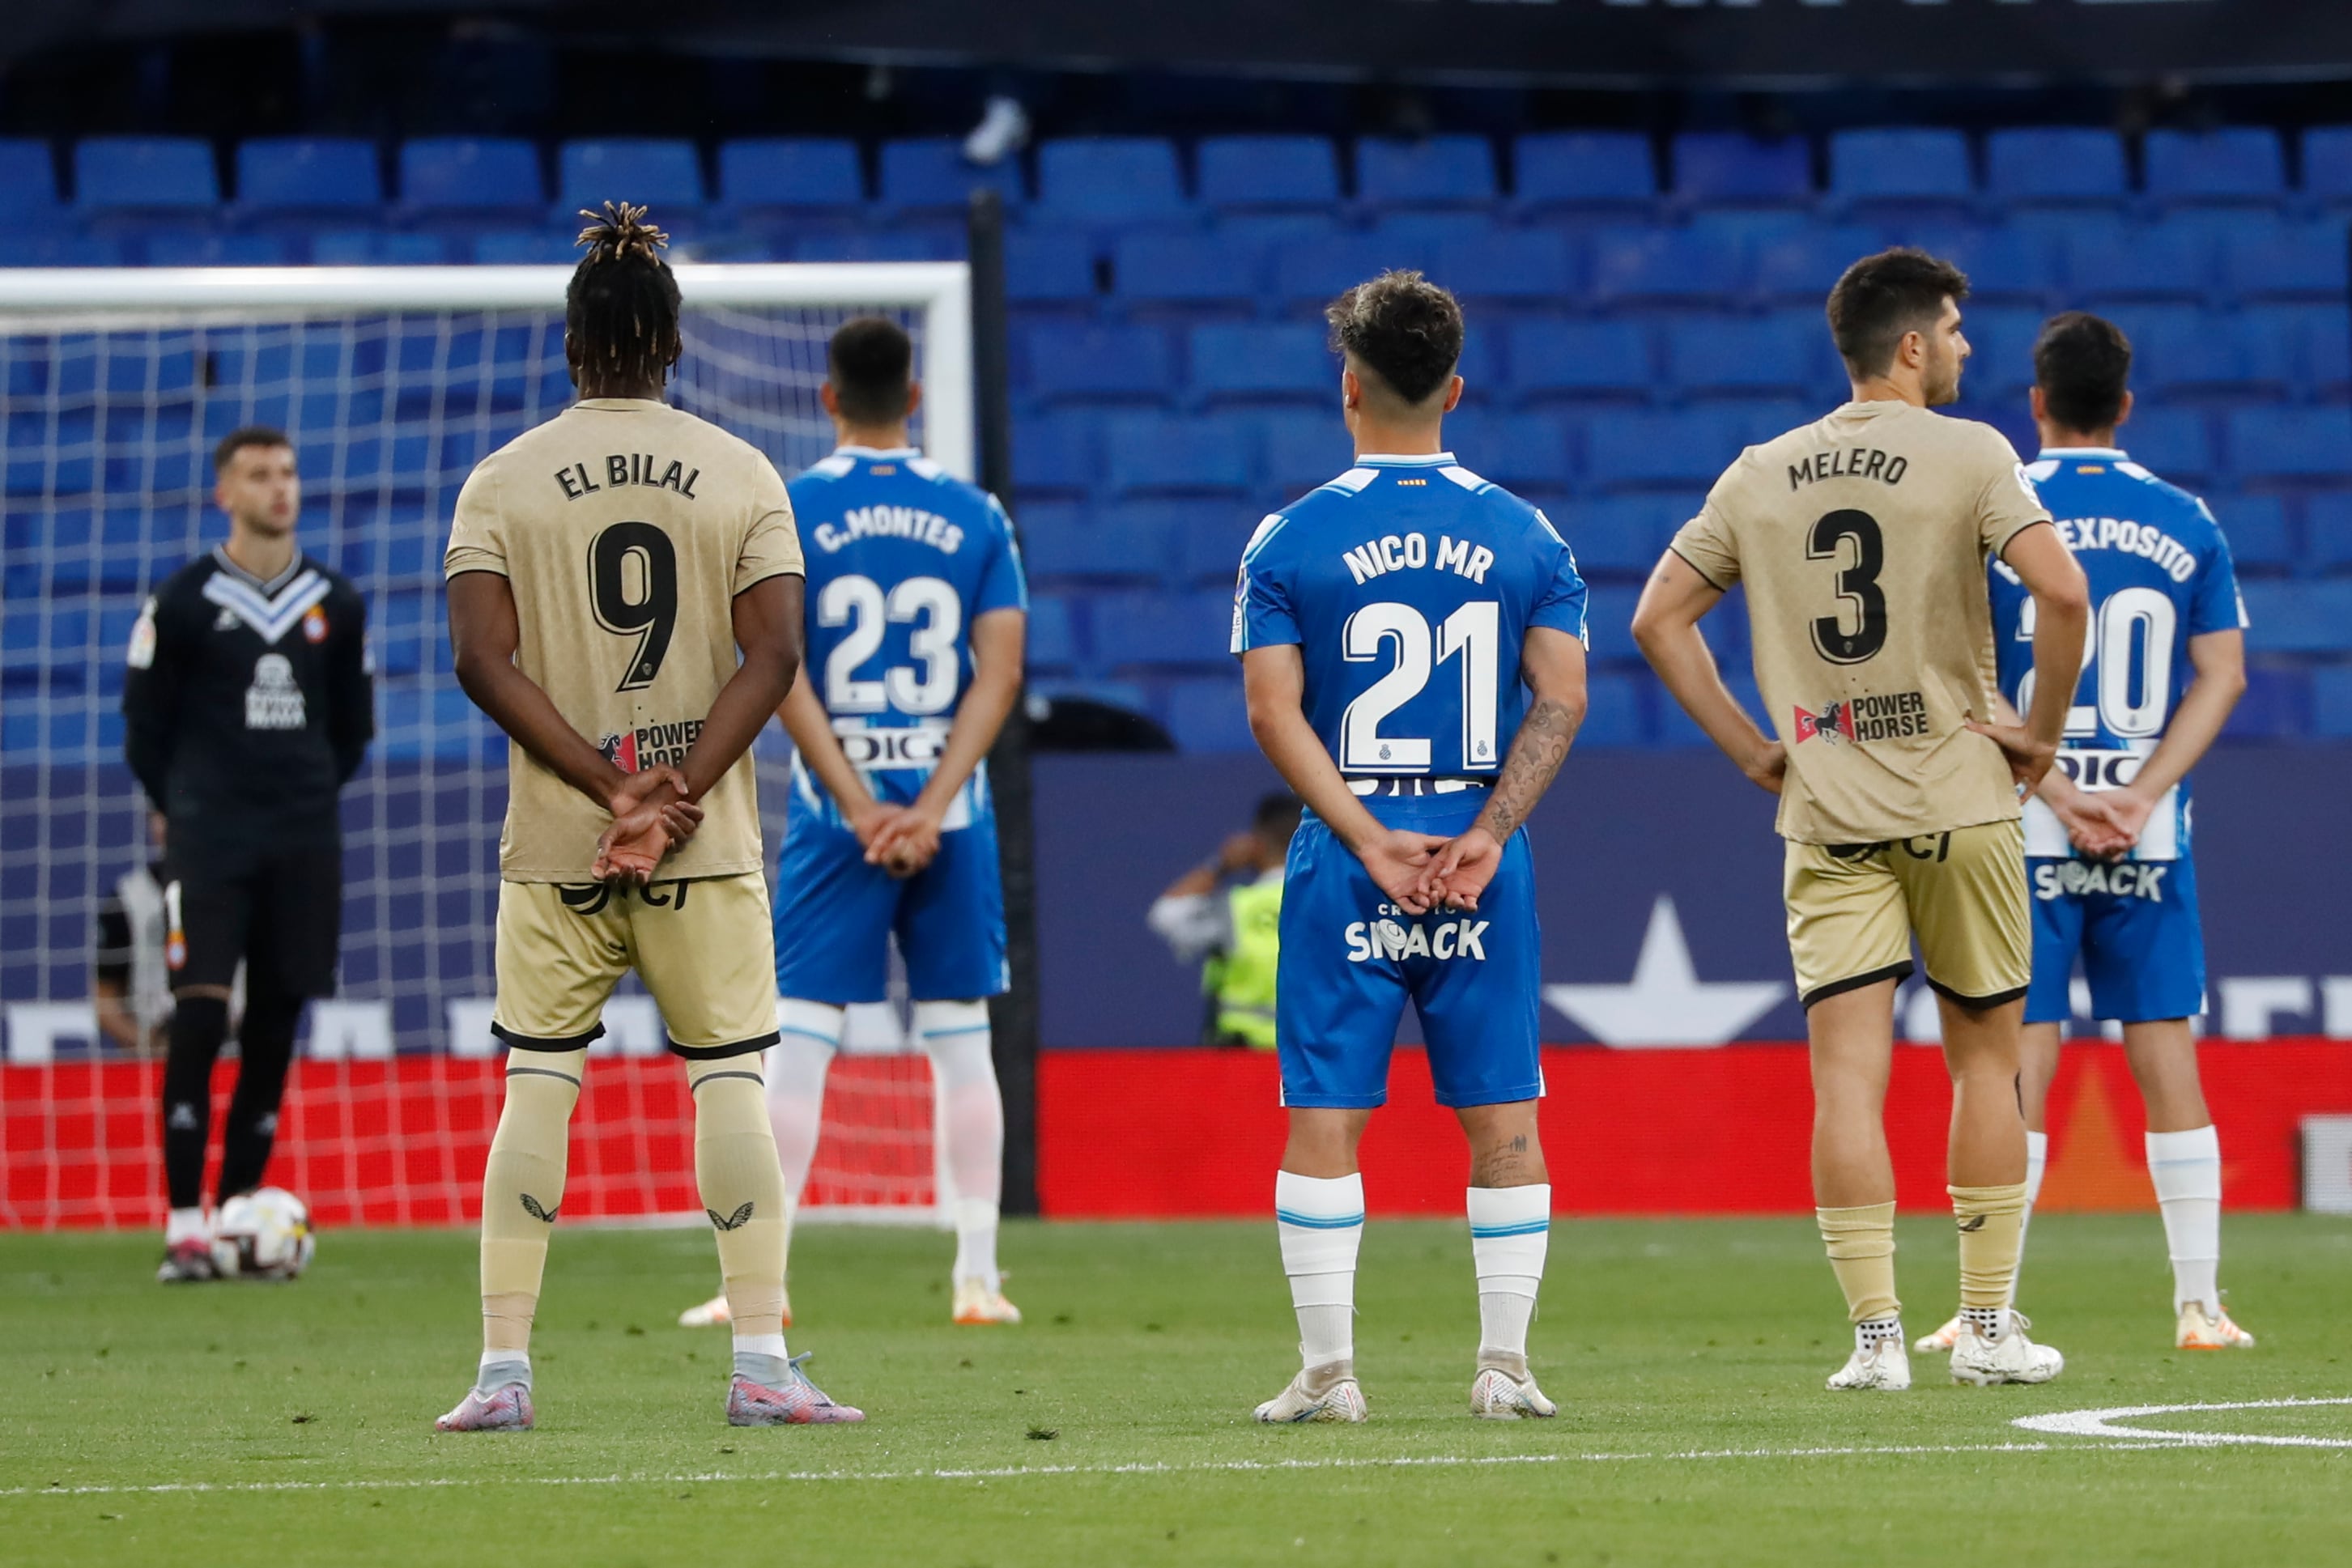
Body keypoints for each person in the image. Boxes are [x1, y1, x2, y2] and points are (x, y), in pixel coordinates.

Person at [1631, 248, 2091, 1392]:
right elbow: (2064, 590)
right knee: (1986, 1067)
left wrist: (1751, 749)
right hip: (1961, 800)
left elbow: (1656, 619)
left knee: (1846, 1080)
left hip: (1825, 806)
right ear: (1910, 346)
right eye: (1954, 327)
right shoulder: (1973, 452)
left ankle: (1875, 1342)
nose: (1967, 347)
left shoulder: (1760, 471)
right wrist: (2038, 729)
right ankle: (1986, 1330)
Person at [436, 203, 860, 1432]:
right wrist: (670, 797)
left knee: (539, 1082)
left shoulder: (501, 478)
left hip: (560, 839)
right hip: (704, 841)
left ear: (573, 347)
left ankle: (502, 1374)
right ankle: (764, 1365)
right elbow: (774, 655)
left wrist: (606, 786)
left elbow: (479, 657)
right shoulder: (740, 470)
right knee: (729, 1079)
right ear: (672, 344)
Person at [1234, 270, 1589, 1424]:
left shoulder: (1290, 537)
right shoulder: (1526, 533)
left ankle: (1330, 1373)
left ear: (1348, 386)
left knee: (1325, 1113)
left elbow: (1271, 712)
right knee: (1504, 1116)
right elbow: (1562, 699)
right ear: (1457, 387)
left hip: (1353, 850)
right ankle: (1505, 1366)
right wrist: (1485, 833)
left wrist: (1370, 838)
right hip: (1485, 854)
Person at [677, 316, 1029, 1334]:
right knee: (963, 1043)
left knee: (802, 1048)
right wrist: (925, 805)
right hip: (949, 815)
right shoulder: (976, 515)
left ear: (827, 397)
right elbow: (998, 671)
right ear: (912, 398)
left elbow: (774, 663)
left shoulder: (788, 509)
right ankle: (978, 1277)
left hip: (840, 817)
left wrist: (862, 801)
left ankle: (764, 1285)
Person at [1912, 312, 2255, 1356]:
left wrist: (2058, 789)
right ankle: (2199, 1305)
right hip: (2147, 839)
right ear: (2125, 404)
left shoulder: (1995, 507)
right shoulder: (2184, 517)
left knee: (2018, 1063)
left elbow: (1967, 672)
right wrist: (2139, 793)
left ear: (2034, 404)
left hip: (2022, 826)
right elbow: (2224, 672)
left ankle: (1988, 1302)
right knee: (2166, 1057)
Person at [122, 426, 374, 1283]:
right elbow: (144, 729)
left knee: (274, 1022)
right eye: (260, 475)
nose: (280, 488)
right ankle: (184, 1220)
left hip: (304, 835)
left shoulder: (336, 603)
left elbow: (351, 731)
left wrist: (295, 795)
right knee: (199, 1011)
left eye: (290, 472)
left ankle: (236, 1213)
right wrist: (187, 807)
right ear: (224, 492)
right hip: (210, 837)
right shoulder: (185, 600)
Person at [1146, 792, 1303, 1047]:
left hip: (1238, 1063)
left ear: (1256, 843)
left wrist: (1220, 865)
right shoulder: (1330, 904)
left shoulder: (1235, 907)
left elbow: (1165, 915)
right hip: (1308, 1055)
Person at [93, 811, 178, 1056]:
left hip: (230, 1054)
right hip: (151, 1055)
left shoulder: (238, 894)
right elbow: (104, 1000)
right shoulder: (128, 899)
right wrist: (148, 1043)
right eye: (164, 816)